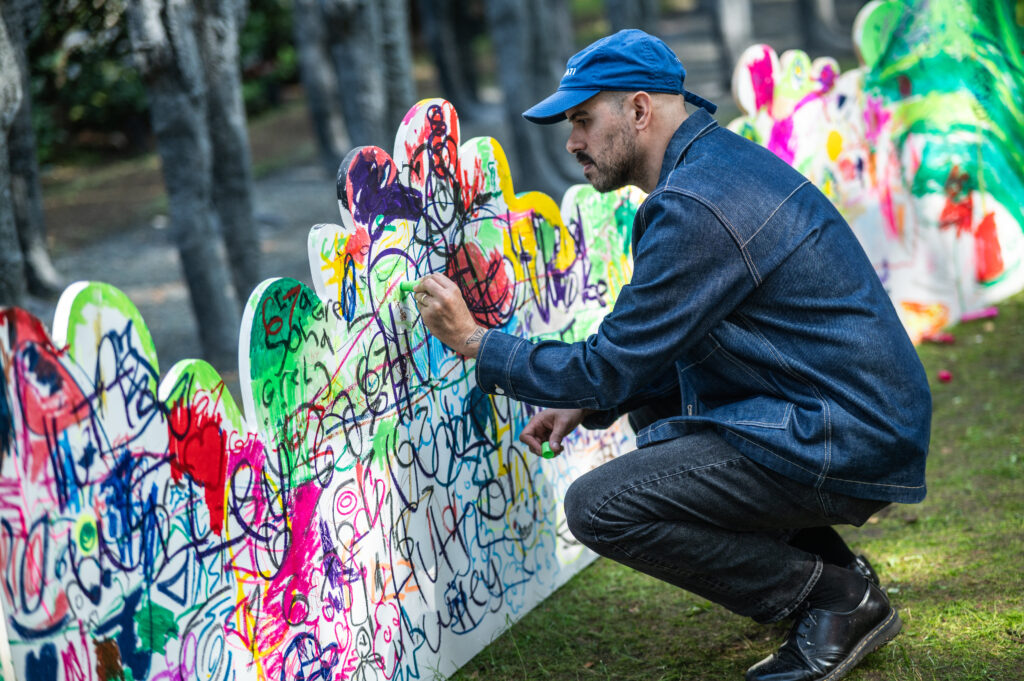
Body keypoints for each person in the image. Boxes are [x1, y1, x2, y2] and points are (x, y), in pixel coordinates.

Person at [414, 29, 931, 681]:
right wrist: (589, 397)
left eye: (581, 119)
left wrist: (475, 343)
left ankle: (834, 599)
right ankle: (835, 572)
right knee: (654, 401)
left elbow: (609, 364)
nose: (571, 142)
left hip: (848, 431)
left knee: (598, 505)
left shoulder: (694, 205)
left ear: (638, 110)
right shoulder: (711, 171)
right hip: (851, 414)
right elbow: (645, 351)